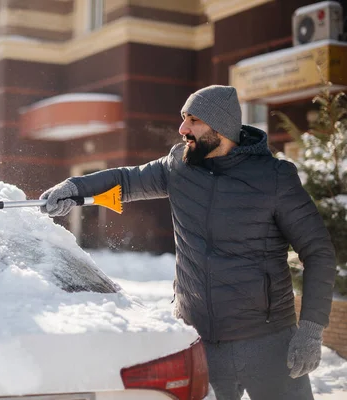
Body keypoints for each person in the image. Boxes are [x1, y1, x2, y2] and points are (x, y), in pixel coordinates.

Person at [39, 85, 337, 400]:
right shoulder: (179, 167)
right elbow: (126, 180)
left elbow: (318, 253)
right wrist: (74, 189)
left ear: (220, 127)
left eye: (193, 120)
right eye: (183, 119)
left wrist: (311, 330)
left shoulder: (274, 178)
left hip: (268, 342)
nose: (183, 129)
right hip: (199, 342)